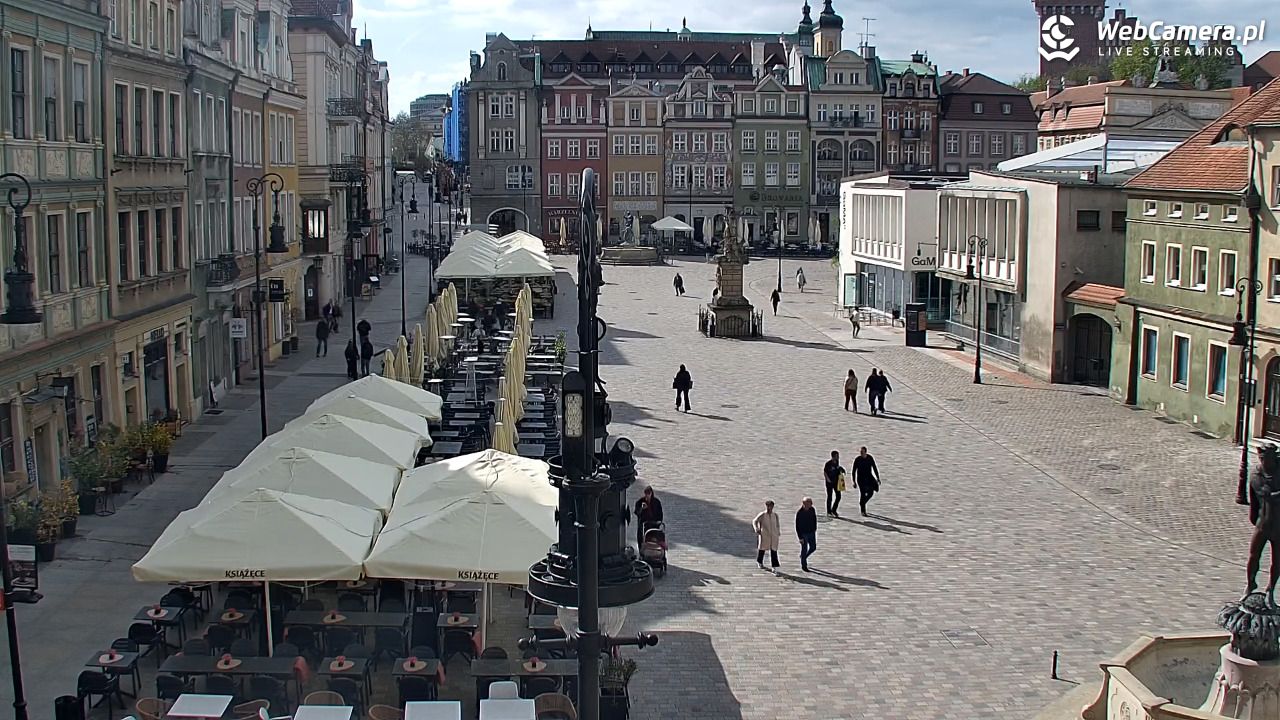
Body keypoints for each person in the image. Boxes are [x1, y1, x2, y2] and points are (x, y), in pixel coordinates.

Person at [1246, 443, 1280, 602]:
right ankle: (1250, 584)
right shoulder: (1256, 476)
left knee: (1277, 560)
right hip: (1262, 523)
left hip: (1279, 525)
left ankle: (1270, 589)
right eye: (1261, 458)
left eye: (1266, 459)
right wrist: (1256, 519)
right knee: (1253, 556)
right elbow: (1254, 501)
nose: (1263, 462)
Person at [752, 500, 781, 574]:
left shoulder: (775, 515)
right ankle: (759, 561)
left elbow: (777, 524)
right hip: (765, 535)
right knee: (762, 549)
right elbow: (755, 521)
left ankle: (774, 567)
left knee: (774, 551)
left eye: (771, 506)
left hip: (773, 536)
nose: (769, 508)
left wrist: (778, 532)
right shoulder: (762, 515)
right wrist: (756, 528)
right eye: (768, 506)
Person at [852, 446, 880, 517]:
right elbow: (854, 470)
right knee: (863, 493)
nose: (861, 453)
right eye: (860, 452)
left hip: (869, 478)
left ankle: (862, 503)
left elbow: (874, 467)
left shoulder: (870, 458)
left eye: (862, 452)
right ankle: (863, 510)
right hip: (860, 479)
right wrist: (854, 481)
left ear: (865, 452)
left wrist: (877, 478)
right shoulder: (857, 459)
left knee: (871, 492)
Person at [796, 497, 818, 572]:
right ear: (804, 504)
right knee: (804, 549)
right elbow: (797, 526)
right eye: (809, 503)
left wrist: (815, 528)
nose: (811, 505)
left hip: (811, 532)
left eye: (811, 503)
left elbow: (814, 519)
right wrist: (800, 537)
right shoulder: (800, 513)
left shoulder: (812, 509)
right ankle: (804, 565)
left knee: (813, 547)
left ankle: (803, 557)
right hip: (803, 534)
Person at [823, 450, 844, 518]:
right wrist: (828, 479)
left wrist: (841, 470)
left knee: (838, 496)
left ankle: (834, 509)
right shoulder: (828, 464)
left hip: (836, 482)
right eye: (837, 456)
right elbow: (825, 472)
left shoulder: (837, 462)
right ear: (833, 456)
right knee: (830, 497)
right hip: (829, 483)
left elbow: (837, 469)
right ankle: (829, 511)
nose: (838, 457)